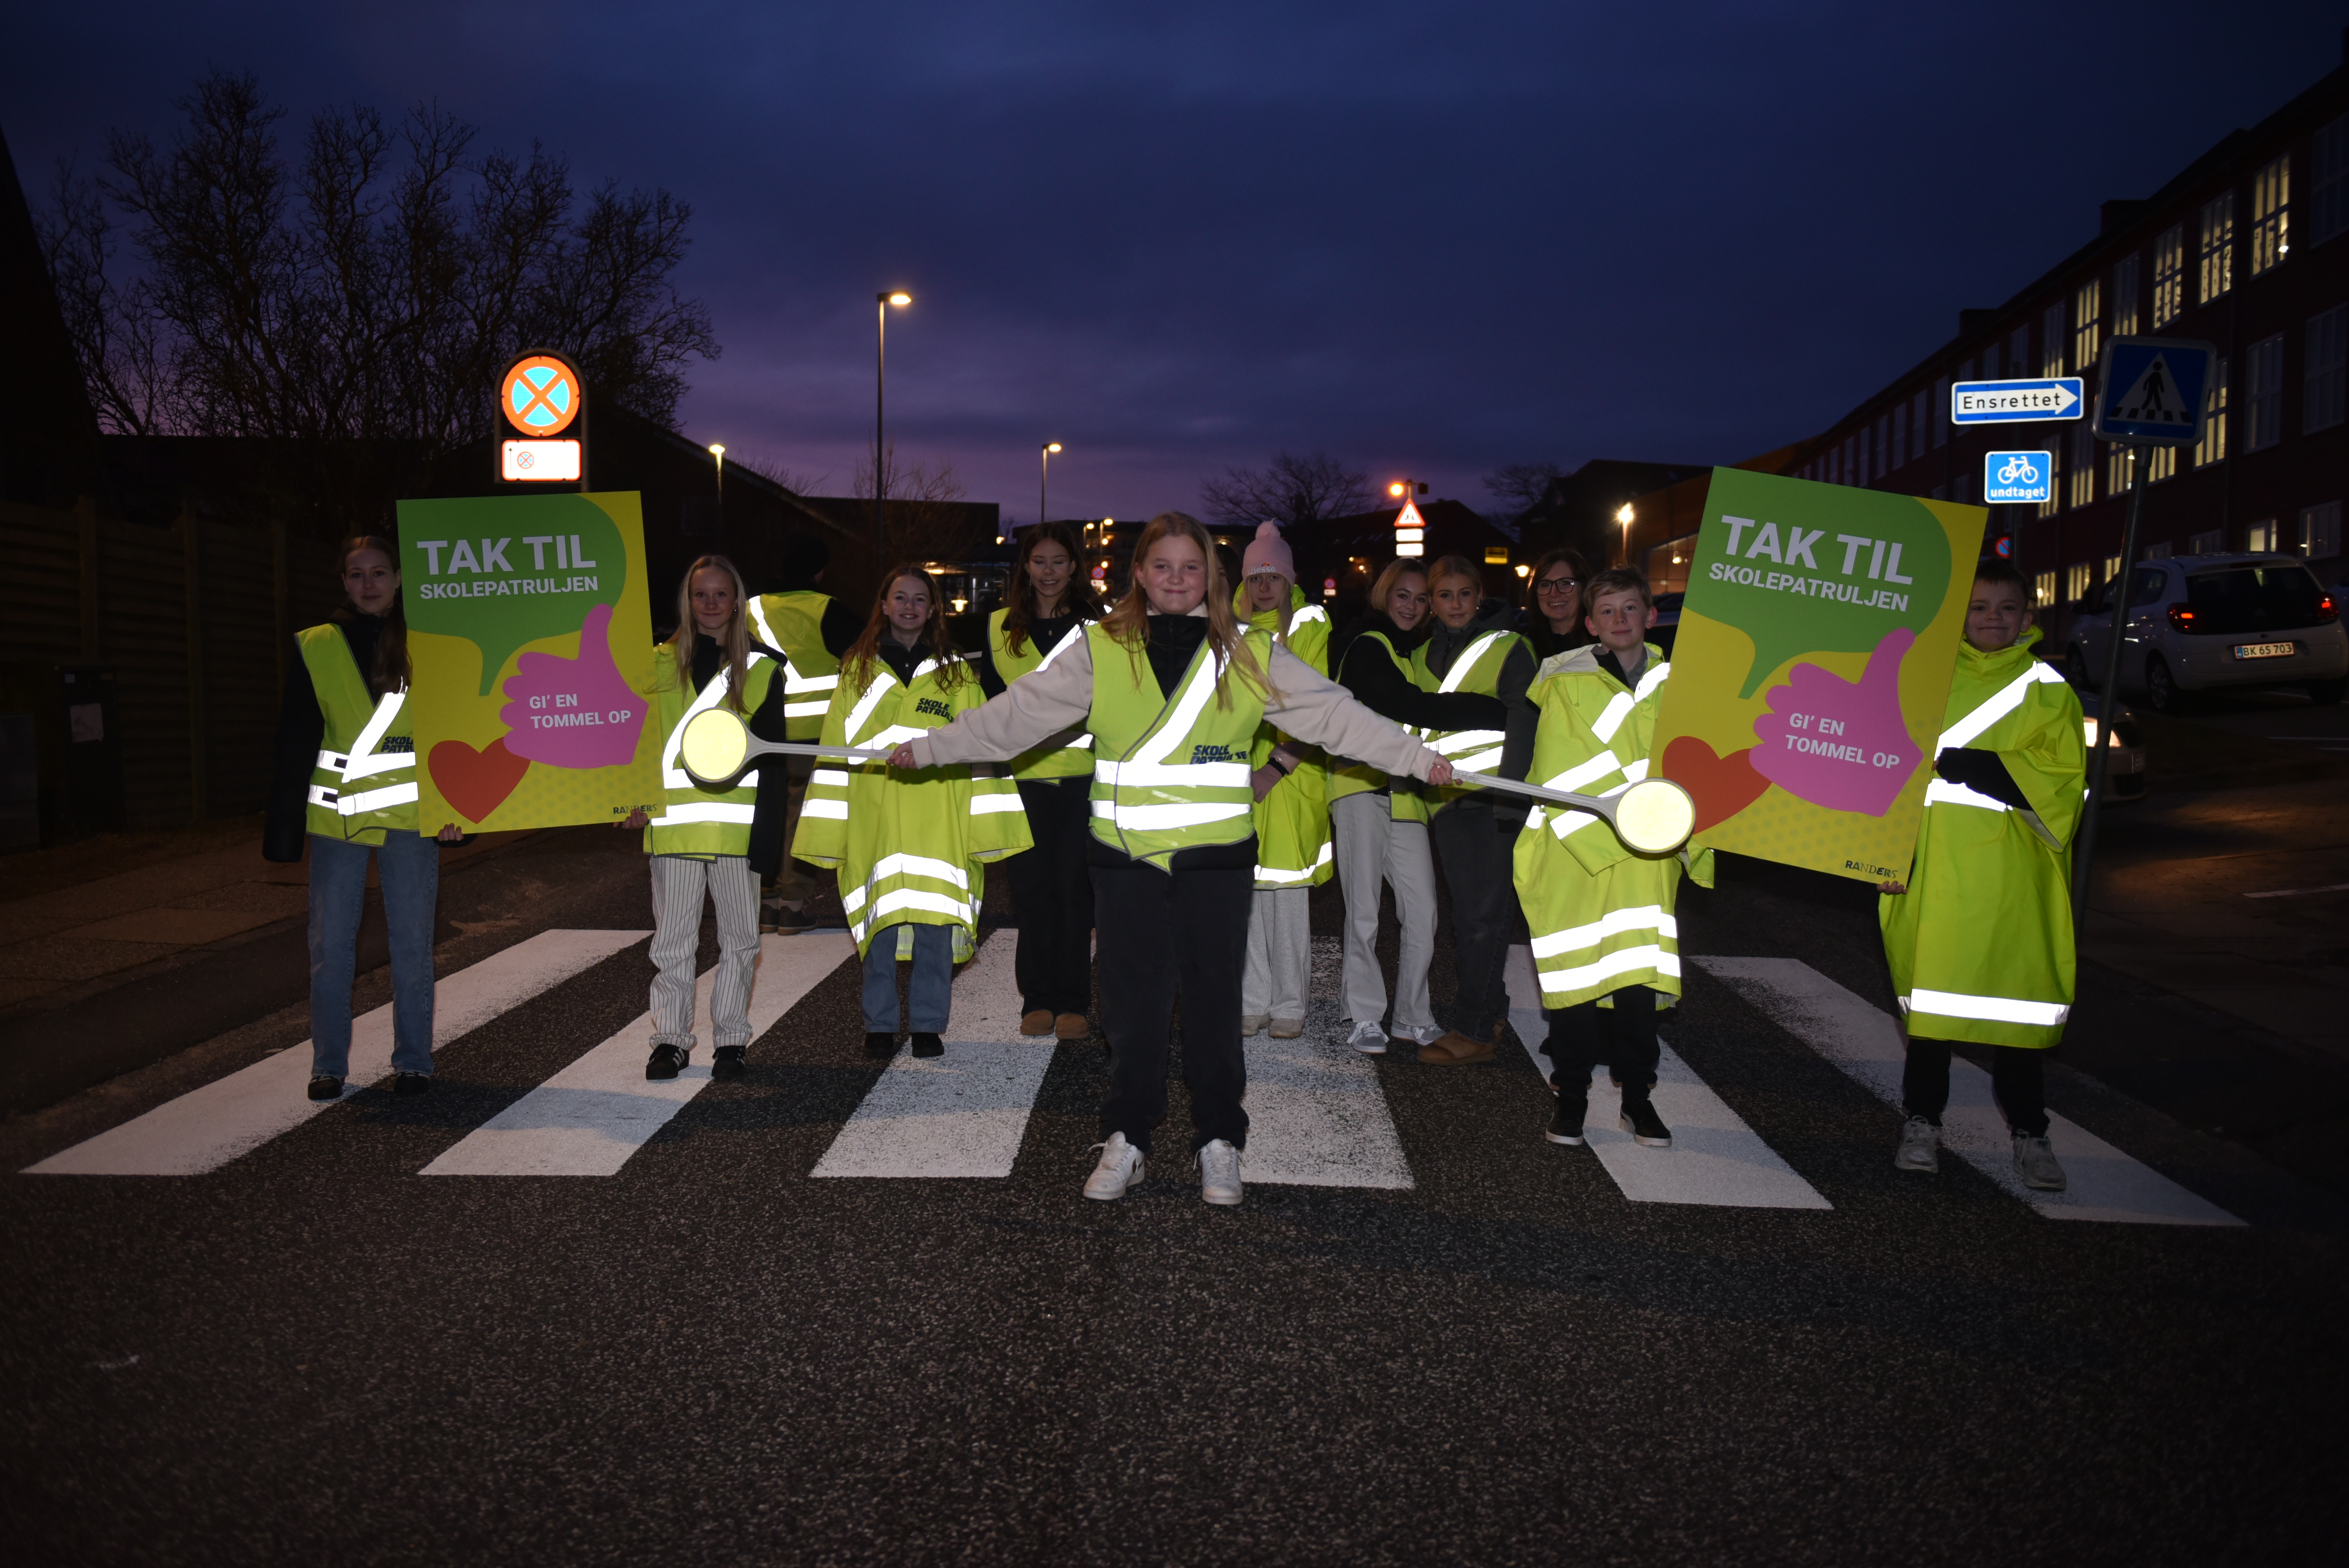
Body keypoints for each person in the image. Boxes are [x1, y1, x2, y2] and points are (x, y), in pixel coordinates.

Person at [888, 513, 1453, 1207]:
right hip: (1125, 862)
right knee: (1131, 1007)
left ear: (1211, 578)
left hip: (1216, 861)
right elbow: (1018, 714)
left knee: (1215, 1006)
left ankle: (1220, 1138)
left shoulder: (1250, 652)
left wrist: (1417, 758)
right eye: (1163, 566)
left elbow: (1336, 716)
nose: (1177, 579)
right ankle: (1129, 1134)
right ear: (1140, 574)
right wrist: (931, 746)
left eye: (1191, 568)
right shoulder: (1099, 648)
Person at [1878, 559, 2084, 1191]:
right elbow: (1881, 767)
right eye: (1978, 607)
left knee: (2014, 1013)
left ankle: (2030, 1134)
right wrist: (1878, 852)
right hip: (1930, 871)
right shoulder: (1921, 679)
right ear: (1957, 617)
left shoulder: (2050, 690)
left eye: (2006, 607)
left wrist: (1982, 767)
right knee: (1932, 1015)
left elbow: (2064, 784)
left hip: (2009, 879)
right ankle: (1921, 1122)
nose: (1993, 617)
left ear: (2029, 615)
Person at [1513, 567, 1712, 1150]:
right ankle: (1571, 1099)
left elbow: (1697, 763)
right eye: (1608, 611)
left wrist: (1670, 833)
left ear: (1651, 616)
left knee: (1636, 989)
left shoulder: (1683, 682)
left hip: (1648, 854)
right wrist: (1634, 824)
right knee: (1575, 985)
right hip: (1579, 850)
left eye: (1632, 608)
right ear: (1589, 622)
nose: (1620, 620)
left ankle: (1637, 1102)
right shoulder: (1563, 678)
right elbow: (1559, 768)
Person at [795, 564, 1030, 1059]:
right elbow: (834, 753)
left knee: (934, 928)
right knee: (876, 929)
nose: (908, 607)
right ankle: (878, 1025)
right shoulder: (855, 672)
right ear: (882, 605)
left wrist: (986, 828)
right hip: (872, 822)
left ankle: (928, 1025)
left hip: (938, 823)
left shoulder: (957, 675)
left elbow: (980, 747)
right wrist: (827, 833)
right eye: (899, 597)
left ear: (933, 609)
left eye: (919, 599)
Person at [264, 536, 464, 1102]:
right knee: (330, 949)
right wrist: (282, 834)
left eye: (379, 573)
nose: (369, 584)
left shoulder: (430, 642)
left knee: (411, 945)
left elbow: (453, 733)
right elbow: (295, 740)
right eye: (357, 574)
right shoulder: (316, 645)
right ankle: (327, 1065)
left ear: (400, 579)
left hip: (412, 818)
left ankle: (414, 1063)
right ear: (343, 582)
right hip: (338, 823)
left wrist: (459, 816)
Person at [1327, 561, 1510, 1057]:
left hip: (1405, 797)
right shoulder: (1365, 643)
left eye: (1419, 598)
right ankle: (1365, 1015)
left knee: (1423, 912)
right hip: (1357, 786)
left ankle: (1412, 1016)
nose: (1410, 605)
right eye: (1401, 595)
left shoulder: (1411, 653)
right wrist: (1498, 711)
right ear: (1384, 596)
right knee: (1364, 912)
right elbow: (1410, 705)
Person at [622, 555, 793, 1082]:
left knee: (741, 940)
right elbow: (632, 741)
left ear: (737, 602)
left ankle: (731, 1043)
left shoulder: (763, 668)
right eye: (702, 595)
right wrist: (625, 798)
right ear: (688, 602)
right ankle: (670, 1041)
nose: (712, 604)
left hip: (737, 832)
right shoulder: (652, 664)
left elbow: (774, 764)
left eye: (722, 595)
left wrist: (769, 843)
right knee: (673, 943)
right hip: (672, 827)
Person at [974, 522, 1103, 1041]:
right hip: (1021, 782)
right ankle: (1038, 999)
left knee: (1075, 895)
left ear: (1075, 566)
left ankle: (1074, 999)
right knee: (1031, 896)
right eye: (1039, 562)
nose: (1049, 572)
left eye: (1059, 562)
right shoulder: (999, 626)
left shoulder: (1102, 627)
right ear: (1025, 567)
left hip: (1082, 781)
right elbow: (988, 707)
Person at [1410, 556, 1538, 1066]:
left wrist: (1511, 797)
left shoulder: (1511, 647)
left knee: (1482, 918)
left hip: (1492, 800)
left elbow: (1523, 722)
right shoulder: (1423, 654)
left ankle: (1475, 1028)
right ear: (1433, 602)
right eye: (1445, 595)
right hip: (1448, 802)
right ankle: (1492, 1010)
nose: (1456, 603)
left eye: (1465, 594)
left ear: (1479, 595)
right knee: (1474, 915)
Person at [1234, 520, 1333, 1041]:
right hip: (1238, 774)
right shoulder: (1227, 627)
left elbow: (1314, 708)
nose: (1264, 586)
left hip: (1291, 777)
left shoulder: (1312, 627)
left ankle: (1290, 1002)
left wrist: (1277, 767)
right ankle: (1252, 999)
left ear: (1290, 580)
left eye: (1273, 575)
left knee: (1288, 896)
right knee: (1247, 892)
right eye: (1256, 576)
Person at [748, 535, 864, 934]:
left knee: (765, 813)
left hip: (759, 730)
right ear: (819, 571)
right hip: (813, 733)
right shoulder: (826, 608)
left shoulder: (750, 607)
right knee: (803, 817)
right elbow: (867, 655)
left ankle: (762, 903)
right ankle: (791, 906)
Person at [1518, 547, 1593, 663]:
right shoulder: (1522, 651)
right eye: (1545, 585)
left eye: (1565, 583)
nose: (1554, 593)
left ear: (1585, 588)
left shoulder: (1604, 647)